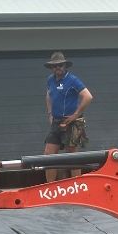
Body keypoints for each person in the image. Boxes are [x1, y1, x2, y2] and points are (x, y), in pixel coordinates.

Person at [43, 51, 93, 182]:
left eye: (60, 65)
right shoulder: (50, 80)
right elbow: (48, 95)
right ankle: (50, 187)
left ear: (65, 66)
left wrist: (76, 114)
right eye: (54, 66)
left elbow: (88, 96)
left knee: (72, 156)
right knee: (48, 155)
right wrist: (50, 114)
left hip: (71, 122)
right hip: (56, 122)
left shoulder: (72, 80)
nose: (57, 68)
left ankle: (76, 187)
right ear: (51, 68)